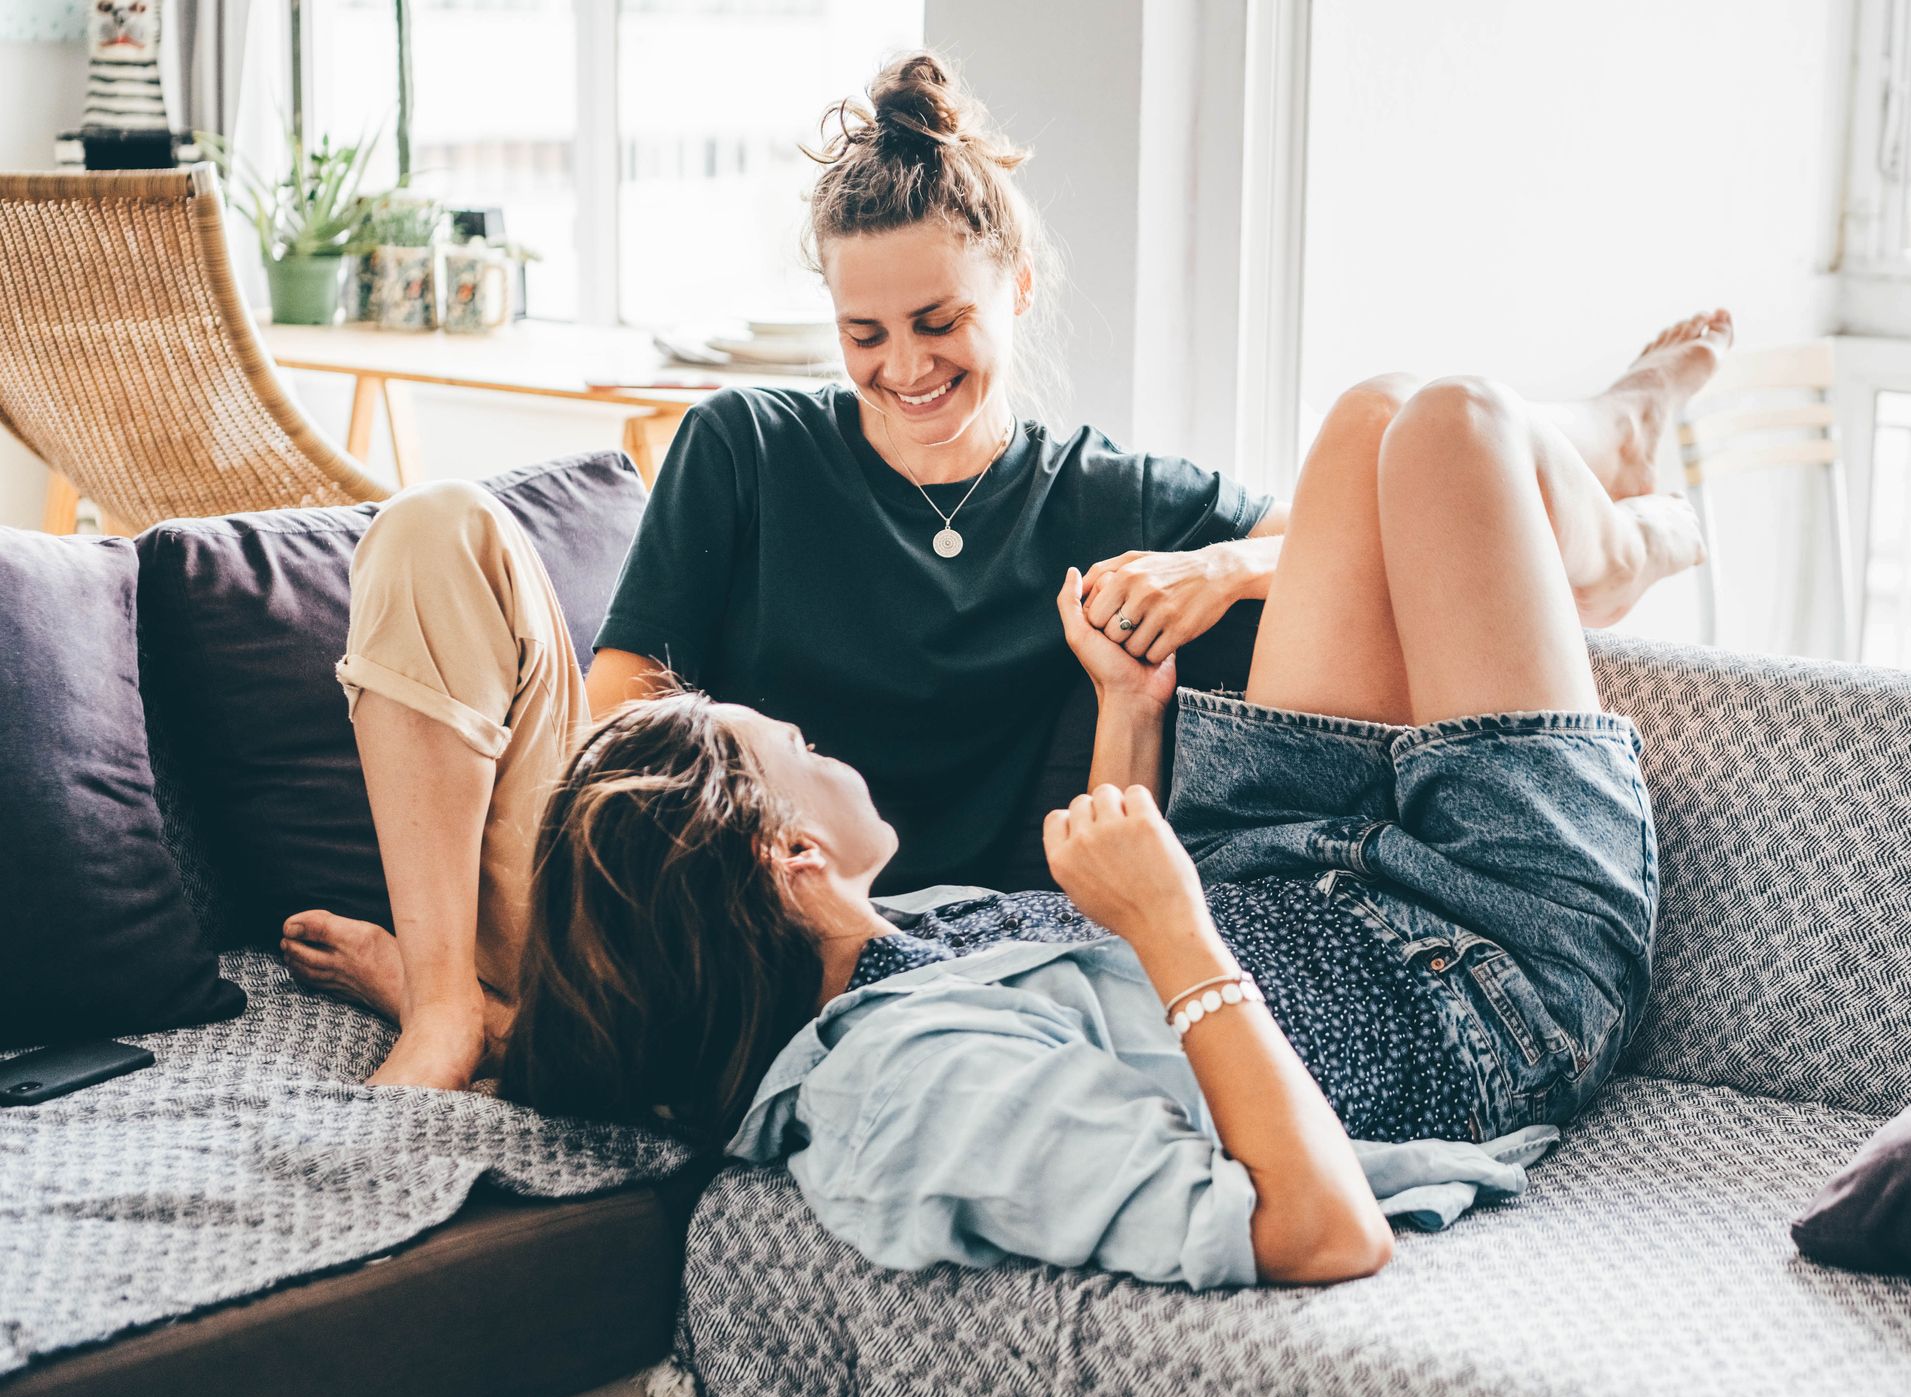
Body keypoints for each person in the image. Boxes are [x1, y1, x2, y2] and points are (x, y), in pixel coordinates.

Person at [279, 45, 1727, 1093]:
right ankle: (460, 1002)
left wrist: (1223, 566)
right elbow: (628, 728)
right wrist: (707, 828)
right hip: (703, 894)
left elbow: (1368, 549)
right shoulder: (751, 450)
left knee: (1409, 433)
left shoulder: (1120, 498)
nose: (903, 367)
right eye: (863, 336)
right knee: (432, 523)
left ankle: (1622, 471)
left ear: (1014, 287)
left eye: (937, 320)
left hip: (914, 952)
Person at [491, 316, 1718, 1287]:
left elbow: (1101, 951)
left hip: (1282, 867)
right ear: (792, 857)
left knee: (1375, 418)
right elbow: (1320, 1231)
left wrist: (1125, 715)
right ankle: (1617, 537)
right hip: (1491, 972)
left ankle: (1604, 493)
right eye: (794, 741)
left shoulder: (878, 951)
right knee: (1455, 424)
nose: (817, 738)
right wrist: (1180, 932)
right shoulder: (911, 1094)